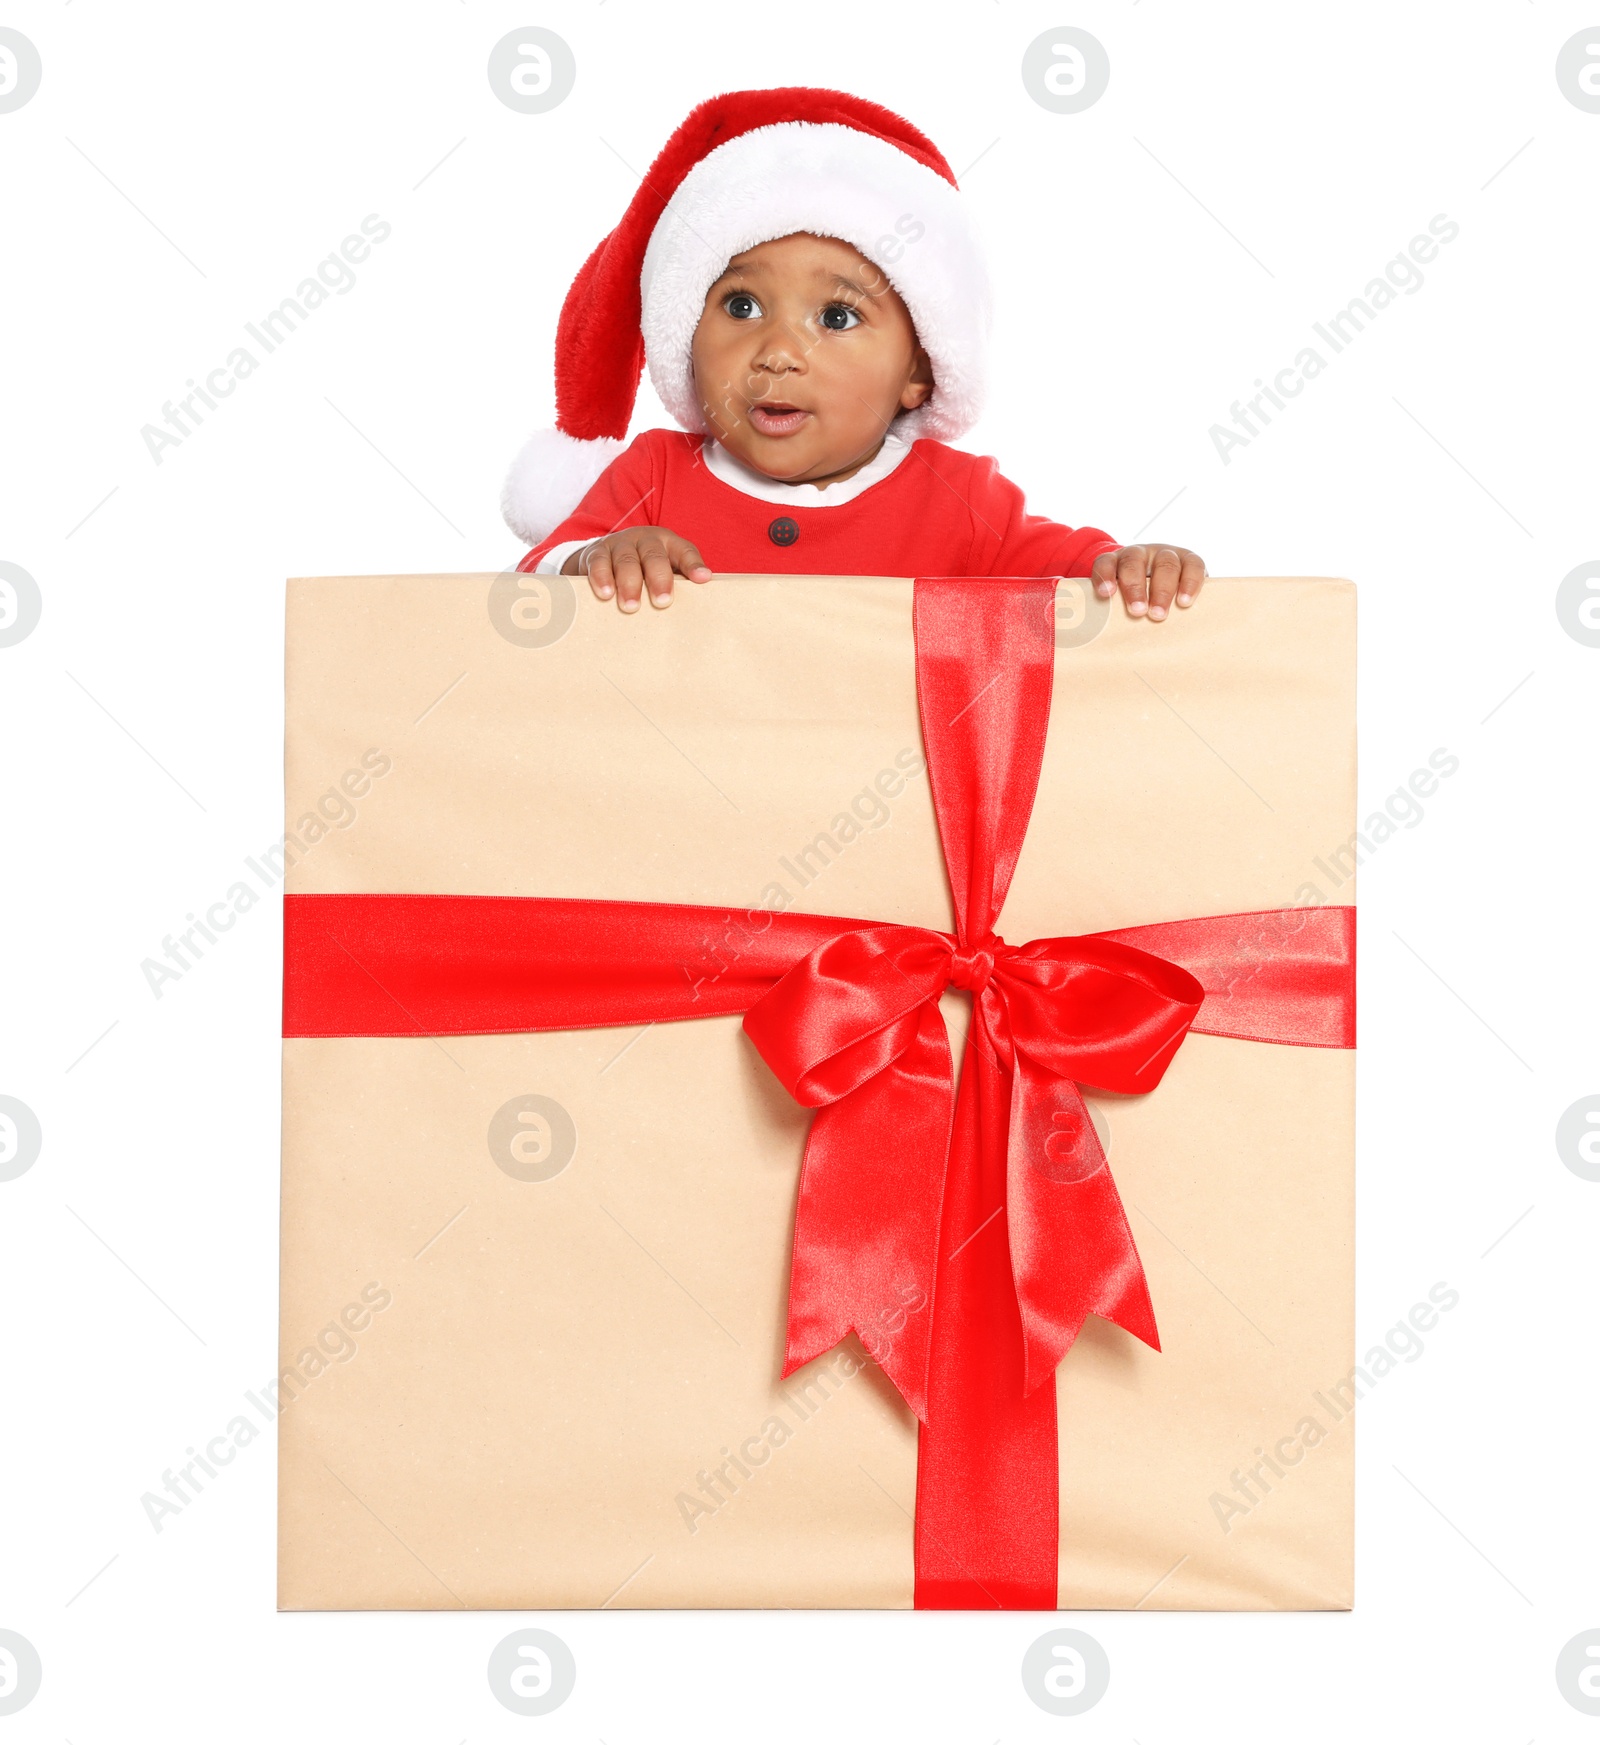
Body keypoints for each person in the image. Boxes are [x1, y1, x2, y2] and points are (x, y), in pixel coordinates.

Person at [502, 86, 1207, 620]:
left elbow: (1076, 578)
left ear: (920, 369)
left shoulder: (959, 501)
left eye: (837, 315)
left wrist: (1134, 569)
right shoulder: (654, 478)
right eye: (741, 306)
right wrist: (594, 560)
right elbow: (528, 582)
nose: (778, 352)